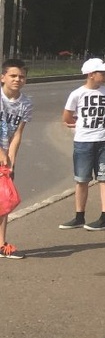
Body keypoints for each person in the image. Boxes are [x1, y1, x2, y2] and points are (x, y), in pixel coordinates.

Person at [60, 58, 105, 232]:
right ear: (91, 75)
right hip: (83, 141)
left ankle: (104, 217)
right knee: (81, 179)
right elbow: (67, 116)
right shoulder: (77, 94)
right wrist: (79, 125)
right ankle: (79, 216)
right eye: (102, 72)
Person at [0, 58, 33, 258]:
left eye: (21, 76)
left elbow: (18, 134)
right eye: (13, 75)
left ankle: (1, 243)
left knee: (5, 200)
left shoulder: (26, 103)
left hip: (4, 159)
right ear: (3, 77)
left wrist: (11, 160)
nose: (17, 80)